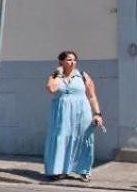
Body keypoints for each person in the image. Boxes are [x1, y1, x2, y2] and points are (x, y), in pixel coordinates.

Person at [44, 50, 103, 181]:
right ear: (61, 62)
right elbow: (51, 89)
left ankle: (84, 171)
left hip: (82, 112)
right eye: (69, 60)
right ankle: (59, 170)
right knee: (61, 139)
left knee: (84, 139)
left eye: (74, 60)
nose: (72, 63)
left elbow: (92, 96)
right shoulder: (55, 76)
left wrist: (97, 114)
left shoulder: (83, 76)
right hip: (62, 114)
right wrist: (58, 73)